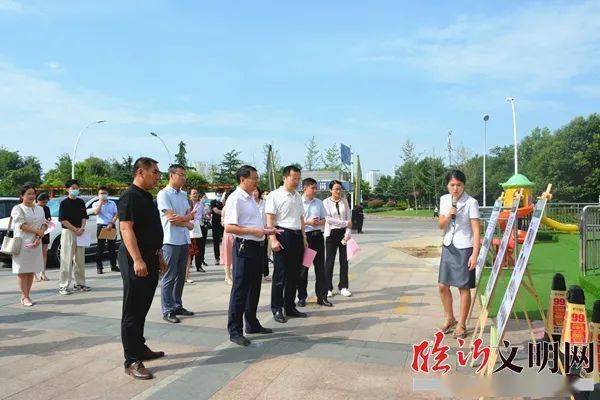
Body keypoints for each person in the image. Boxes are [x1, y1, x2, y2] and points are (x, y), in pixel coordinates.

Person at [118, 157, 167, 380]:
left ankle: (140, 347)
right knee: (132, 310)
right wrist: (137, 259)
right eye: (155, 172)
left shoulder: (146, 197)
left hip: (149, 257)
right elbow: (126, 229)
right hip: (134, 259)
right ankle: (132, 360)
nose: (158, 176)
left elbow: (150, 230)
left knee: (143, 307)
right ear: (140, 172)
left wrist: (158, 256)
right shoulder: (129, 196)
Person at [224, 166, 277, 346]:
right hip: (244, 248)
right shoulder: (235, 199)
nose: (257, 181)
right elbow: (229, 227)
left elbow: (254, 224)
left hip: (257, 246)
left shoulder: (252, 199)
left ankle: (252, 323)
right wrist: (254, 231)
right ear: (242, 179)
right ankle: (235, 330)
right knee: (240, 289)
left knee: (254, 287)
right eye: (254, 178)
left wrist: (266, 230)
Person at [437, 170, 480, 339]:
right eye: (452, 185)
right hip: (448, 245)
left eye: (459, 185)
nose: (455, 189)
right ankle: (450, 318)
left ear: (464, 185)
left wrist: (475, 254)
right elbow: (441, 225)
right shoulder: (444, 200)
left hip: (465, 248)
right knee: (442, 285)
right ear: (447, 185)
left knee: (463, 287)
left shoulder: (471, 202)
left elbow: (476, 230)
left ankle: (462, 324)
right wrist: (449, 215)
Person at [265, 165, 308, 323]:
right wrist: (273, 239)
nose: (296, 181)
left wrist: (303, 237)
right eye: (294, 178)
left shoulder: (297, 196)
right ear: (285, 177)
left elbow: (301, 218)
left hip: (297, 236)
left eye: (298, 178)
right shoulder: (274, 195)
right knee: (280, 275)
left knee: (294, 275)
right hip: (282, 235)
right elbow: (270, 218)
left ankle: (289, 306)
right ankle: (277, 308)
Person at [157, 164, 196, 324]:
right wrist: (187, 220)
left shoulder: (183, 195)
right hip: (170, 241)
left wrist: (185, 220)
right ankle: (167, 309)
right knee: (169, 276)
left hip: (184, 240)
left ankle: (177, 305)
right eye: (180, 174)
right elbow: (172, 219)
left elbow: (188, 216)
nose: (183, 178)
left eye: (184, 175)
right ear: (171, 175)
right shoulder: (163, 194)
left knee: (181, 276)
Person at [11, 184, 47, 306]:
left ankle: (28, 295)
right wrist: (38, 231)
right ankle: (24, 296)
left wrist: (39, 236)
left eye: (33, 193)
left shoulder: (39, 208)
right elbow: (21, 225)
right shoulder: (18, 208)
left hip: (36, 242)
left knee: (31, 270)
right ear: (22, 196)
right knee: (22, 271)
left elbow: (44, 223)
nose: (32, 196)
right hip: (22, 243)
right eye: (28, 194)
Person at [299, 178, 332, 307]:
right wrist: (309, 222)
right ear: (304, 188)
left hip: (317, 236)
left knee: (320, 268)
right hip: (306, 237)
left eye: (315, 188)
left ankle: (322, 296)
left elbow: (325, 219)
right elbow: (297, 221)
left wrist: (319, 222)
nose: (314, 190)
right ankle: (302, 297)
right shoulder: (299, 202)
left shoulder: (318, 203)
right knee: (304, 269)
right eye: (312, 188)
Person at [58, 179, 90, 295]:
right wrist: (75, 229)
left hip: (80, 233)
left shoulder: (81, 202)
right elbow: (63, 220)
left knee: (80, 260)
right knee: (66, 259)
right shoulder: (64, 203)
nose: (75, 190)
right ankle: (63, 285)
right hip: (68, 232)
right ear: (67, 189)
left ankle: (80, 283)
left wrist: (81, 228)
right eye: (73, 188)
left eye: (77, 188)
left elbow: (84, 217)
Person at [323, 180, 353, 298]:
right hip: (331, 234)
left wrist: (348, 233)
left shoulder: (344, 201)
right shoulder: (325, 202)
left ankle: (344, 286)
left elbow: (349, 219)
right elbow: (328, 219)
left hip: (343, 234)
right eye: (336, 189)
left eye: (340, 188)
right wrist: (344, 223)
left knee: (344, 261)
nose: (338, 191)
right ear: (330, 190)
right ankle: (328, 287)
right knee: (329, 262)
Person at [92, 186, 119, 274]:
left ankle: (113, 266)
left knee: (112, 247)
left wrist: (111, 223)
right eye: (101, 193)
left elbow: (116, 214)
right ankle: (99, 267)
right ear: (98, 195)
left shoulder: (112, 203)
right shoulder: (95, 203)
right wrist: (101, 202)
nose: (103, 195)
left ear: (107, 194)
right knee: (100, 247)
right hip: (101, 226)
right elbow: (96, 212)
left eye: (104, 193)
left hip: (111, 226)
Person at [185, 188, 206, 284]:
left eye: (196, 193)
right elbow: (188, 215)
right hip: (187, 229)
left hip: (197, 228)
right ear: (189, 195)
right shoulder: (186, 203)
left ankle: (198, 265)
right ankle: (186, 271)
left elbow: (200, 216)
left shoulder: (200, 204)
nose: (195, 195)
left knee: (198, 249)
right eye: (193, 193)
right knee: (189, 252)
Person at [219, 189, 236, 285]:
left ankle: (232, 275)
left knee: (235, 256)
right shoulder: (226, 208)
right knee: (227, 255)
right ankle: (227, 276)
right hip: (229, 234)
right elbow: (223, 222)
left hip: (236, 234)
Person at [35, 192, 51, 281]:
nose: (44, 204)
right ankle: (34, 274)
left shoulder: (46, 208)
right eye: (43, 202)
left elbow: (48, 219)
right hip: (35, 232)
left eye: (46, 202)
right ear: (38, 200)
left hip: (45, 231)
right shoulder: (34, 208)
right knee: (34, 253)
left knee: (44, 253)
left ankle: (43, 273)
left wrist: (48, 221)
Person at [210, 190, 224, 264]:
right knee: (216, 242)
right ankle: (217, 258)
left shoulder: (223, 202)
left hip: (223, 224)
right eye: (218, 194)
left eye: (221, 194)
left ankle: (224, 257)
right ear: (215, 194)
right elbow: (216, 211)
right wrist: (225, 212)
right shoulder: (213, 202)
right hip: (215, 224)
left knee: (225, 241)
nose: (219, 195)